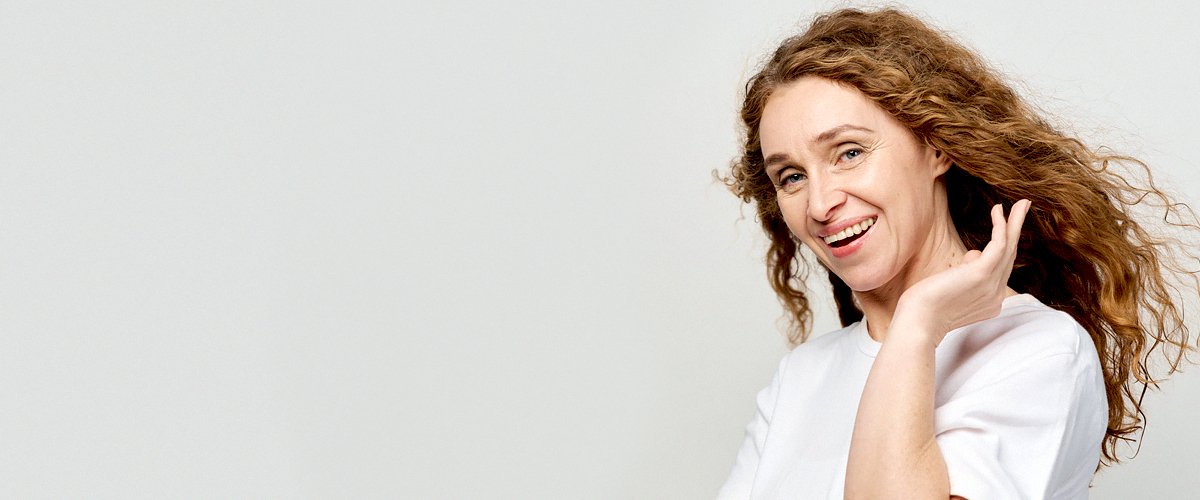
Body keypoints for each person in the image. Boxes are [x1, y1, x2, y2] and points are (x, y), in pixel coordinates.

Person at [717, 7, 1197, 499]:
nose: (820, 204)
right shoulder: (800, 377)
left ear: (936, 147)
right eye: (791, 177)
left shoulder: (1038, 351)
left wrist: (917, 324)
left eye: (850, 152)